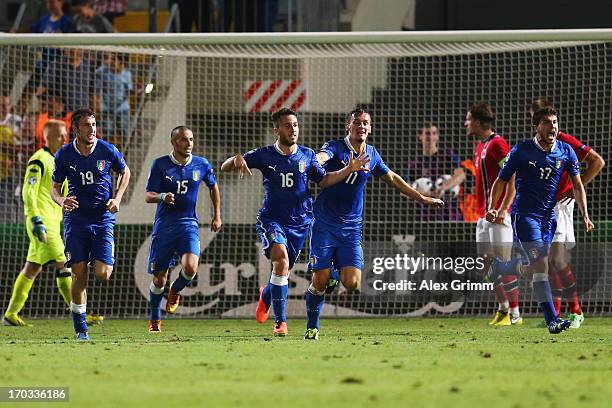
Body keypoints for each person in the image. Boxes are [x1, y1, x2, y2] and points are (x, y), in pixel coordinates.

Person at [220, 107, 369, 337]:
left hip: (300, 223)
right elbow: (224, 166)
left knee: (282, 270)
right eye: (288, 125)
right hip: (271, 220)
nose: (293, 130)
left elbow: (325, 180)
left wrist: (348, 169)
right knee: (281, 262)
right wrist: (236, 158)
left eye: (296, 125)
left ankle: (266, 295)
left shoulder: (307, 155)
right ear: (276, 129)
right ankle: (281, 322)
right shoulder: (265, 154)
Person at [304, 106, 444, 340]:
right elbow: (321, 157)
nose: (361, 126)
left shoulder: (371, 153)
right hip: (325, 224)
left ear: (370, 128)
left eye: (365, 123)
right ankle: (312, 327)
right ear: (349, 126)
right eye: (357, 122)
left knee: (352, 284)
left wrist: (421, 197)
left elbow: (391, 178)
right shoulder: (335, 147)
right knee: (319, 281)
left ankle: (332, 277)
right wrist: (317, 160)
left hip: (351, 228)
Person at [485, 105, 594, 334]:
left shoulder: (565, 151)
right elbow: (502, 180)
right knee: (543, 265)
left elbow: (577, 184)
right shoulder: (521, 151)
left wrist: (584, 213)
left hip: (549, 217)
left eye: (554, 122)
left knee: (535, 268)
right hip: (525, 216)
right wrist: (492, 207)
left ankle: (501, 267)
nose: (552, 126)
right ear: (536, 127)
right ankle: (553, 320)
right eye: (546, 122)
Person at [51, 108, 130, 340]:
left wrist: (117, 197)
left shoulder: (107, 150)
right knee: (79, 273)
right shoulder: (64, 155)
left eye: (94, 124)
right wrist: (62, 200)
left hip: (102, 219)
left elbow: (125, 173)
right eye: (87, 125)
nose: (92, 129)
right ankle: (81, 329)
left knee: (103, 273)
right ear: (75, 129)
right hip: (76, 220)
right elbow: (54, 189)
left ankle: (82, 324)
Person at [529, 99, 605, 329]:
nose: (546, 125)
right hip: (543, 207)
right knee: (549, 262)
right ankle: (558, 312)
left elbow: (597, 161)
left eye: (548, 120)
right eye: (539, 120)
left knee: (557, 259)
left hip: (560, 206)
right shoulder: (535, 147)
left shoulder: (564, 142)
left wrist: (573, 190)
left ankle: (576, 310)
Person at [145, 126, 223, 333]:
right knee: (159, 278)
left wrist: (217, 215)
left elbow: (213, 186)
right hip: (164, 227)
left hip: (189, 224)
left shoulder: (202, 164)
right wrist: (162, 196)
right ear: (173, 142)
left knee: (190, 268)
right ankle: (154, 318)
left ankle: (176, 290)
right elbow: (148, 195)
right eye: (183, 140)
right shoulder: (160, 165)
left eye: (191, 139)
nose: (188, 143)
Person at [2, 121, 71, 326]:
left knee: (32, 268)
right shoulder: (39, 159)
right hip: (42, 222)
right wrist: (34, 218)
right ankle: (80, 312)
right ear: (47, 137)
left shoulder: (58, 162)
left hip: (53, 220)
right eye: (60, 135)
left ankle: (10, 314)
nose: (64, 139)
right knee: (63, 264)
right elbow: (28, 190)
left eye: (65, 134)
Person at [465, 102, 521, 326]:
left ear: (478, 122)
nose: (466, 123)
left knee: (503, 262)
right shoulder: (480, 146)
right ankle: (503, 308)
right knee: (486, 265)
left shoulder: (498, 144)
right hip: (482, 215)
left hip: (498, 214)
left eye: (468, 119)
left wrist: (503, 208)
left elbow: (513, 177)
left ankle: (515, 313)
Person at [406, 122, 465, 220]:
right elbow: (404, 189)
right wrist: (424, 196)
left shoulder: (447, 156)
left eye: (434, 133)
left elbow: (461, 175)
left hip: (451, 217)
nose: (431, 137)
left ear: (437, 137)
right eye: (427, 133)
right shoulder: (415, 163)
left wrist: (442, 189)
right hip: (426, 218)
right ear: (420, 136)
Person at [94, 52, 132, 146]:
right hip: (106, 109)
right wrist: (97, 106)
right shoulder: (101, 72)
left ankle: (124, 153)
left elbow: (128, 91)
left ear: (121, 63)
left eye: (114, 60)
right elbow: (97, 91)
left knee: (124, 132)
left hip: (122, 109)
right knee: (107, 132)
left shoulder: (127, 74)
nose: (111, 62)